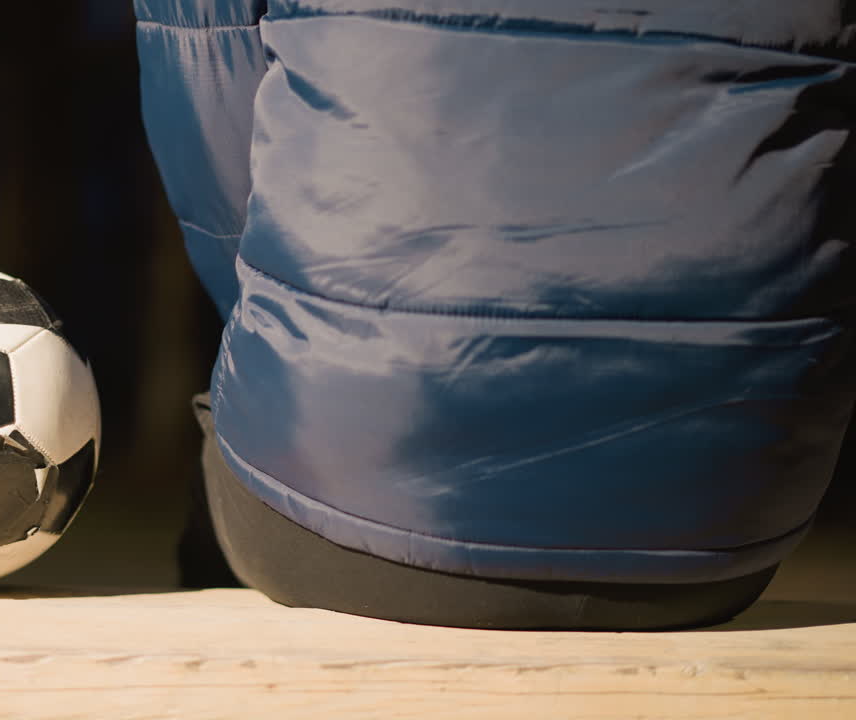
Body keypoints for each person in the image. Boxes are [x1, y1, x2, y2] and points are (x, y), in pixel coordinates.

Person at [136, 0, 856, 629]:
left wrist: (287, 344)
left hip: (349, 492)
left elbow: (210, 99)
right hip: (725, 512)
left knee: (228, 496)